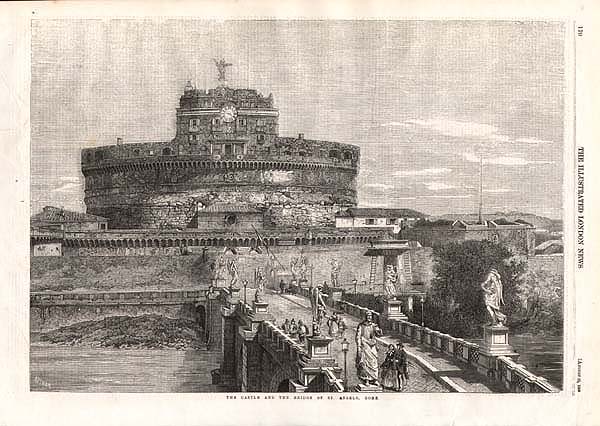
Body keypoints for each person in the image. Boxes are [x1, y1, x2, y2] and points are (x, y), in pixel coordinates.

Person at [355, 311, 382, 386]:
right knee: (365, 363)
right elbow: (358, 337)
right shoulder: (361, 326)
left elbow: (379, 335)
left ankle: (374, 379)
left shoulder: (373, 325)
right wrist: (359, 347)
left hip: (372, 345)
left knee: (374, 362)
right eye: (368, 316)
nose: (369, 317)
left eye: (370, 316)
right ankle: (366, 379)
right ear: (365, 317)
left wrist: (378, 330)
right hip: (365, 346)